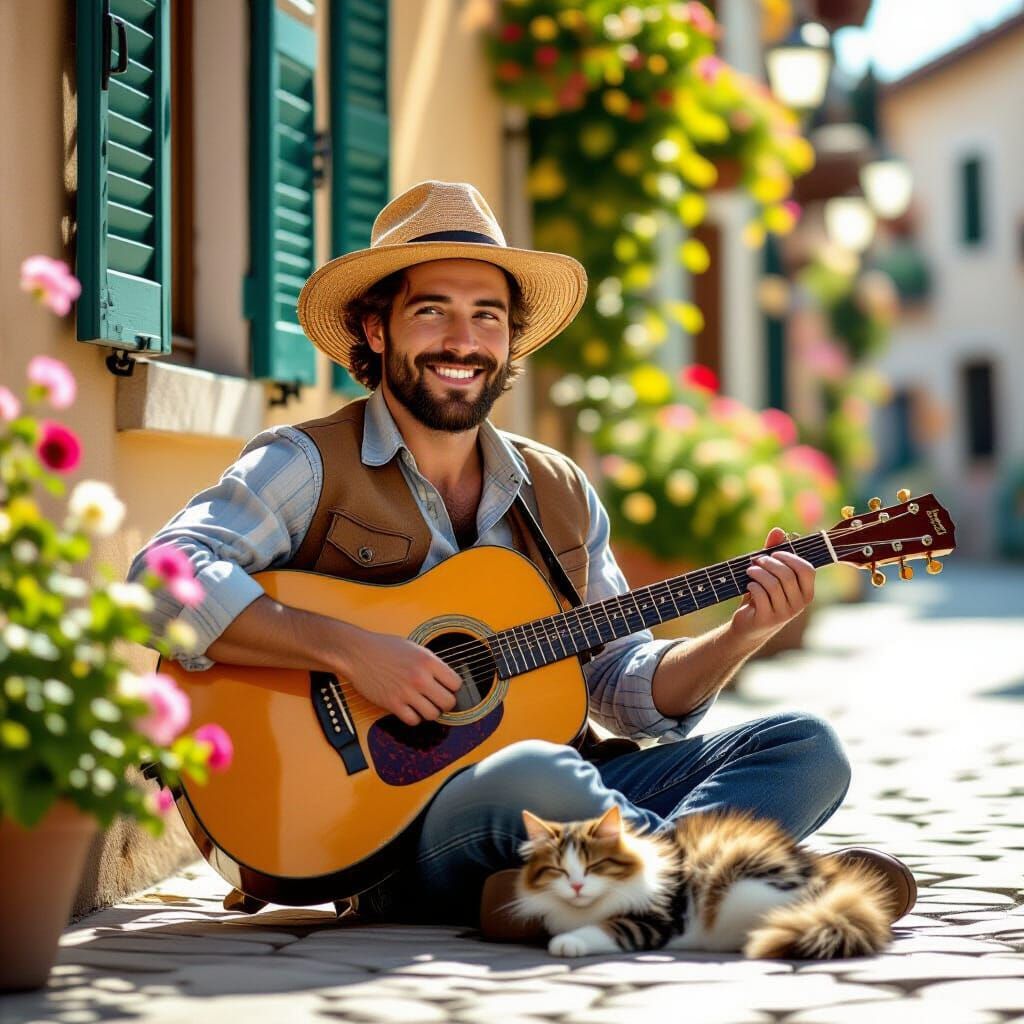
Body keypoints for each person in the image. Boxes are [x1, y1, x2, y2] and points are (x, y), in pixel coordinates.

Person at [128, 180, 915, 934]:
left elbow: (623, 689)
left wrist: (740, 635)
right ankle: (733, 882)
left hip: (559, 805)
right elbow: (160, 580)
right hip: (393, 833)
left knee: (806, 746)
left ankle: (576, 895)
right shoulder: (306, 463)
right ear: (377, 330)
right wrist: (354, 650)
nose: (463, 342)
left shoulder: (558, 490)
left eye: (487, 318)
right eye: (432, 312)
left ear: (510, 340)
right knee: (534, 773)